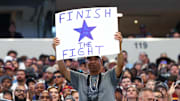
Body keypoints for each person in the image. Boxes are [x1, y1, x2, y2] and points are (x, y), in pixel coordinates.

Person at [53, 32, 124, 101]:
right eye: (89, 59)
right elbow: (63, 71)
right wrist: (58, 51)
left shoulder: (109, 76)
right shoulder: (80, 78)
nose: (92, 61)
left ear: (101, 62)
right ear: (86, 62)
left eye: (95, 59)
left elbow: (120, 65)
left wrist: (119, 46)